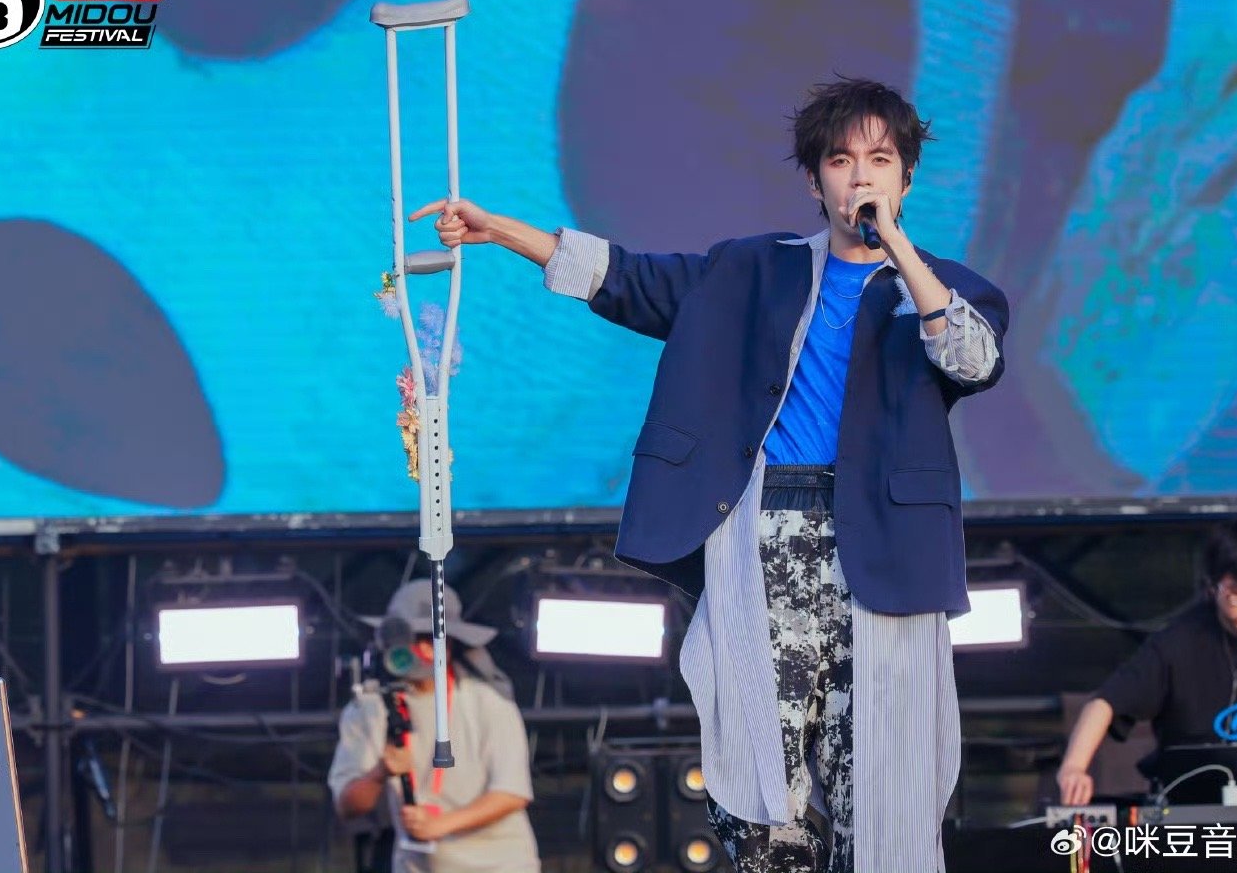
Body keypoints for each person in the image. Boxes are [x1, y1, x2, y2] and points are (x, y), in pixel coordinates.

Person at [411, 77, 1008, 872]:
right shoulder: (753, 270)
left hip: (888, 549)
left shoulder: (948, 288)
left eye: (879, 160)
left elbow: (972, 360)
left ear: (906, 177)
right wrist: (500, 232)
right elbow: (627, 279)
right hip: (764, 536)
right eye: (840, 160)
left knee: (883, 781)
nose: (859, 177)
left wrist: (897, 249)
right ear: (815, 180)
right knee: (754, 789)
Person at [1056, 522, 1237, 806]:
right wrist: (1073, 767)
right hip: (1187, 798)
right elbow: (1105, 703)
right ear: (1213, 585)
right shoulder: (1178, 641)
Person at [328, 580, 540, 872]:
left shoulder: (489, 699)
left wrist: (441, 825)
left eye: (436, 638)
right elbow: (347, 806)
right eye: (416, 638)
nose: (427, 649)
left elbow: (512, 792)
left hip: (501, 865)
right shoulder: (368, 708)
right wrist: (380, 772)